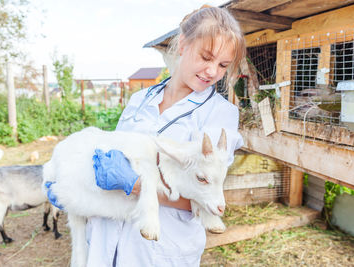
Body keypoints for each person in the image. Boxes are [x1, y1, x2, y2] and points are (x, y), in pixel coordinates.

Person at [86, 6, 245, 266]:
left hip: (158, 249)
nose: (213, 71)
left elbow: (208, 197)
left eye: (223, 65)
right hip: (106, 235)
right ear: (183, 44)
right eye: (206, 57)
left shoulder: (220, 115)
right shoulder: (139, 100)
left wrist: (136, 184)